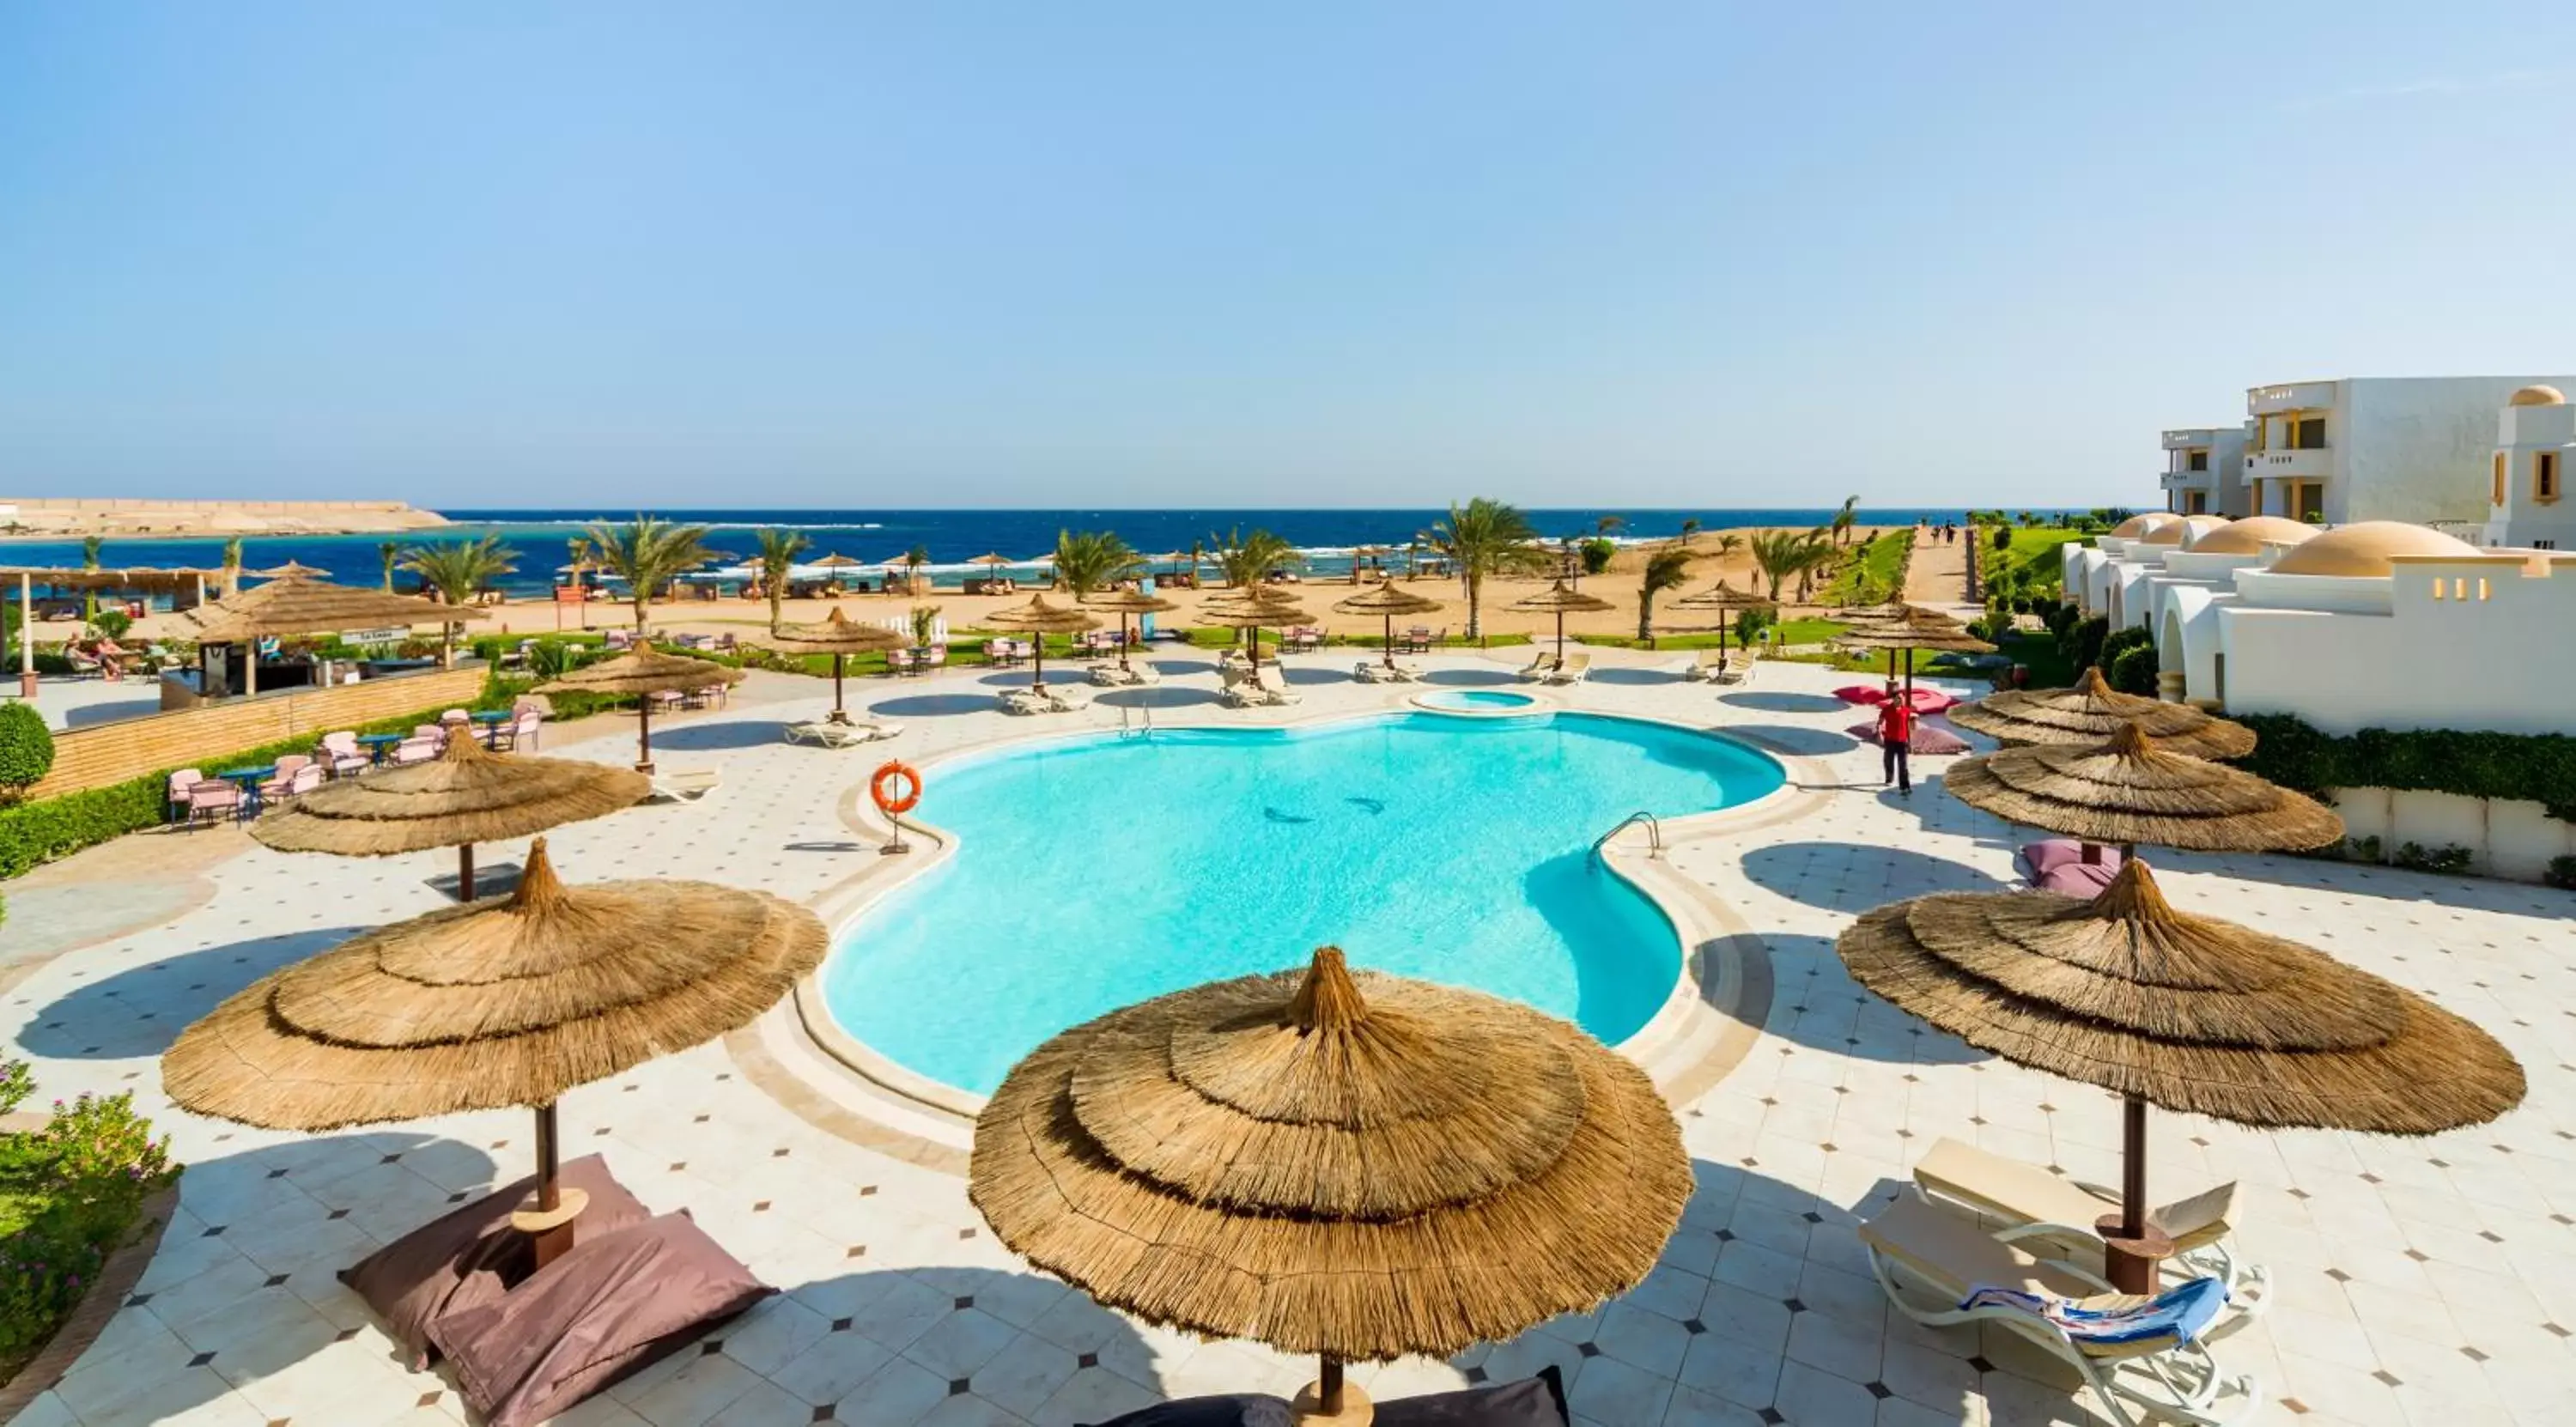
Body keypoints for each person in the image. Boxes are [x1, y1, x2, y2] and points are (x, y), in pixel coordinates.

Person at [1876, 681, 1914, 794]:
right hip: (1889, 740)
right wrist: (1879, 734)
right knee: (1888, 761)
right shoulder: (1886, 710)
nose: (1901, 700)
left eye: (1902, 698)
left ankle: (1904, 786)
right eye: (1898, 698)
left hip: (1902, 741)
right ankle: (1889, 777)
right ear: (1893, 699)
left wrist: (1910, 742)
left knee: (1903, 764)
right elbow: (1880, 722)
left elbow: (1908, 727)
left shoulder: (1906, 711)